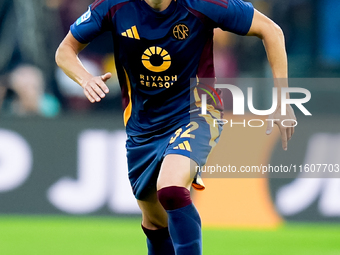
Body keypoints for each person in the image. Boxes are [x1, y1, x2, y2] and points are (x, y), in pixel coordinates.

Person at [55, 0, 296, 254]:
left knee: (170, 188)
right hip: (142, 127)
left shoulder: (203, 4)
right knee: (155, 222)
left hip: (197, 112)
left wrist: (283, 100)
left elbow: (271, 30)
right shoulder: (114, 6)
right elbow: (65, 51)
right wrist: (85, 79)